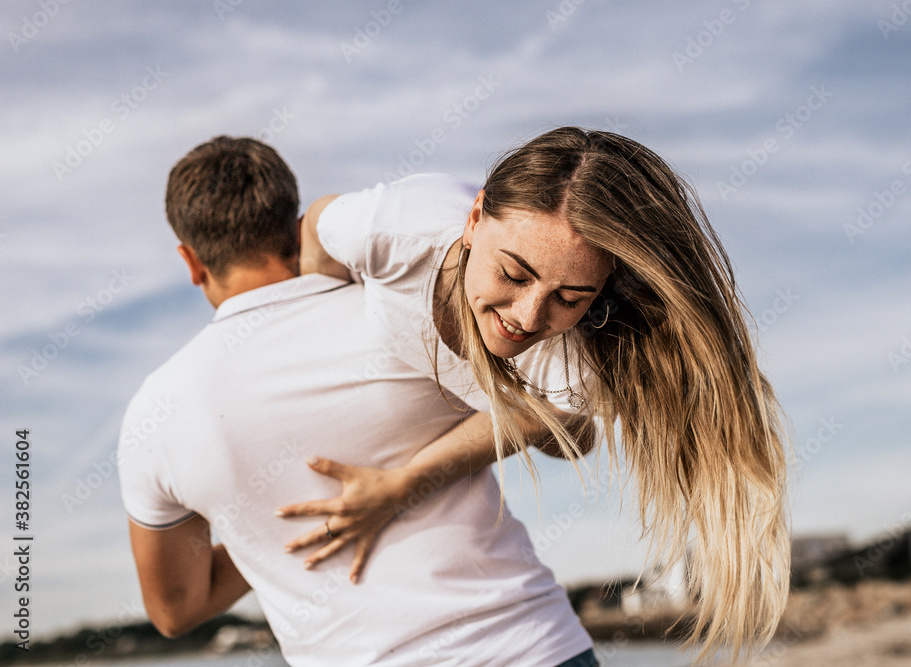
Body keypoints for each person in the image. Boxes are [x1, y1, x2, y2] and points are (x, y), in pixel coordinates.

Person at [289, 127, 790, 661]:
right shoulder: (391, 228)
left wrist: (405, 484)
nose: (528, 317)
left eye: (570, 297)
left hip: (549, 433)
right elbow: (318, 224)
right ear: (474, 218)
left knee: (572, 432)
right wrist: (326, 320)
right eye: (512, 273)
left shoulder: (575, 361)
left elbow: (543, 421)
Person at [118, 136, 599, 666]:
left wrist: (268, 523)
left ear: (190, 260)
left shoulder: (155, 413)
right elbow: (565, 418)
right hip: (533, 647)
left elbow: (176, 608)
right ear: (291, 218)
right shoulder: (403, 300)